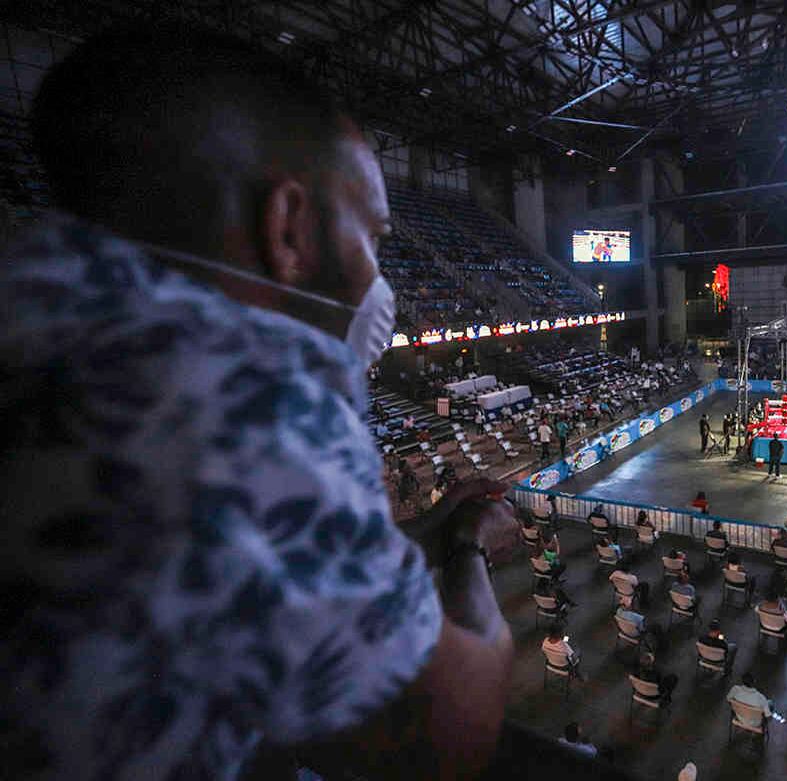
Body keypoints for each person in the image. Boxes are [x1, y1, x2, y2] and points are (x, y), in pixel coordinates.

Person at [7, 31, 532, 778]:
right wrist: (471, 542)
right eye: (374, 234)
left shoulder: (48, 327)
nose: (379, 272)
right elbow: (445, 729)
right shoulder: (234, 394)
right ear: (287, 225)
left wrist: (424, 527)